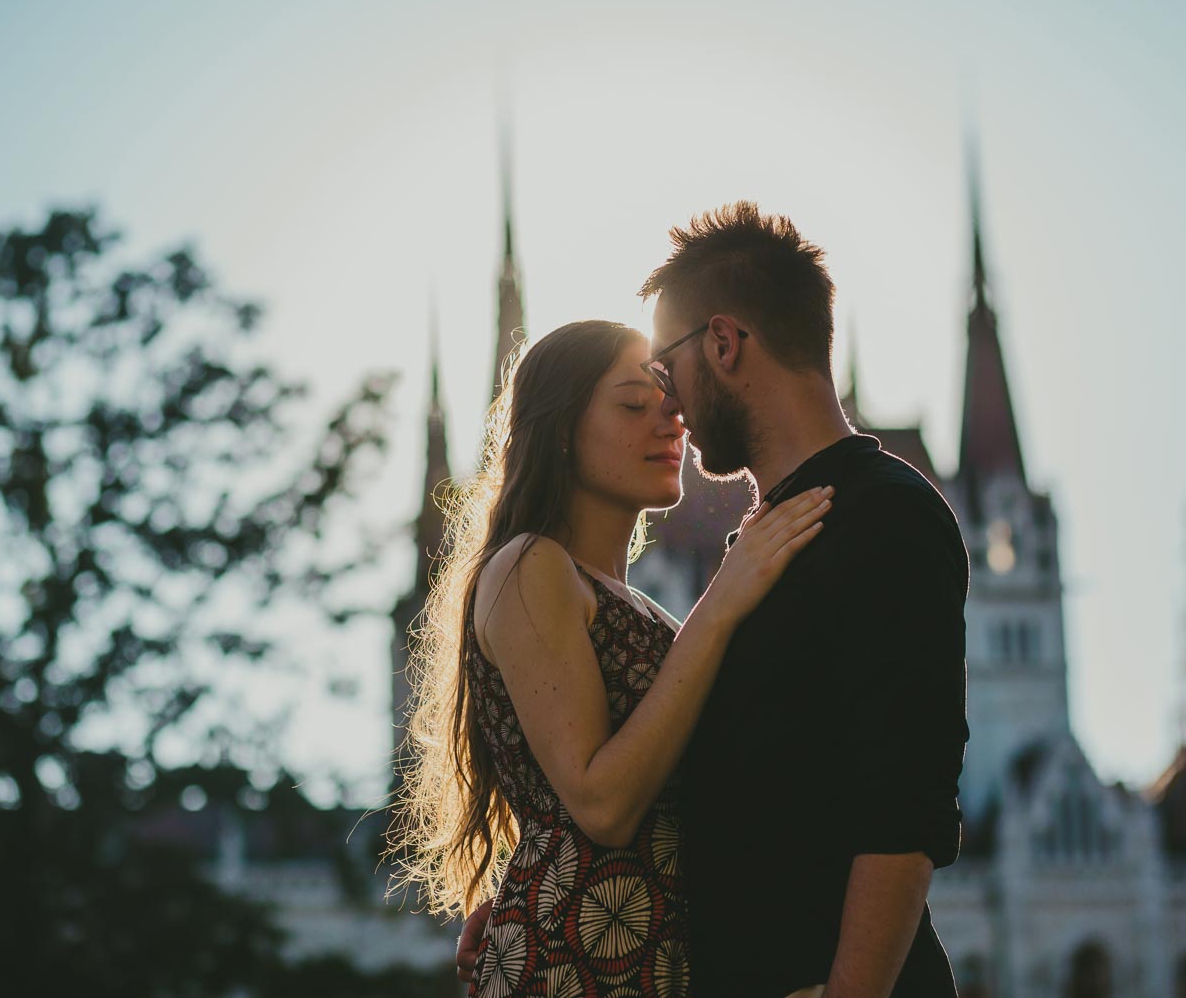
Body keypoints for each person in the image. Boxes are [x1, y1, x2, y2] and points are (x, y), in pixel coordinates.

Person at [395, 318, 832, 997]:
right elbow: (600, 805)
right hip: (576, 965)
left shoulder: (645, 611)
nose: (671, 421)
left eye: (670, 402)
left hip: (643, 958)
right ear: (561, 431)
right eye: (633, 405)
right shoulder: (532, 564)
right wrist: (721, 605)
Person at [636, 202, 970, 997]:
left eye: (666, 369)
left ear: (723, 343)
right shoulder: (763, 541)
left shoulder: (883, 513)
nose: (668, 403)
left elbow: (905, 808)